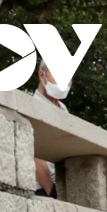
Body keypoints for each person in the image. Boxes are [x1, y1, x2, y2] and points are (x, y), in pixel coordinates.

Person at [32, 60, 69, 198]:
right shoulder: (32, 105)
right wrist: (50, 189)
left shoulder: (63, 109)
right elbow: (33, 151)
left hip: (61, 188)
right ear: (42, 76)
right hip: (43, 189)